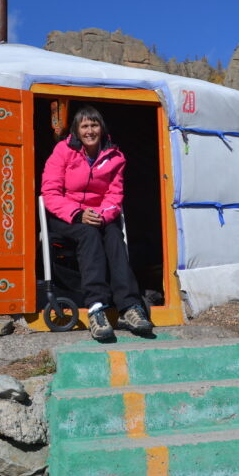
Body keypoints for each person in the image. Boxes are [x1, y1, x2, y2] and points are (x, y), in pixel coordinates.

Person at [40, 105, 153, 341]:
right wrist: (78, 214)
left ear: (101, 128)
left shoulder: (115, 157)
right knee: (88, 234)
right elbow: (50, 192)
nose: (90, 130)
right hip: (66, 216)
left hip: (99, 215)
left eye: (94, 125)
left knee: (113, 234)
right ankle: (96, 307)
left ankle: (129, 306)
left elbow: (115, 196)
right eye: (84, 126)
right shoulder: (63, 151)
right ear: (76, 130)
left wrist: (102, 214)